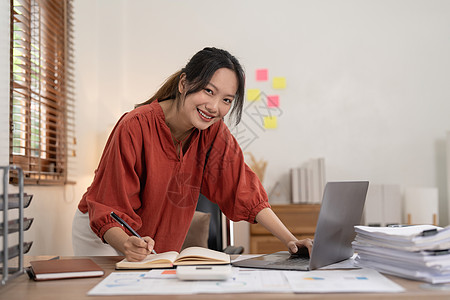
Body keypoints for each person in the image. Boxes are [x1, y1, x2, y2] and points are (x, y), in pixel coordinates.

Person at [72, 47, 313, 261]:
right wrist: (125, 243)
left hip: (151, 240)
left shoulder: (213, 133)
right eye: (208, 91)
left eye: (226, 99)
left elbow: (242, 188)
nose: (214, 107)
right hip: (105, 231)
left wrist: (291, 241)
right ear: (183, 83)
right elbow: (108, 203)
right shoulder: (135, 126)